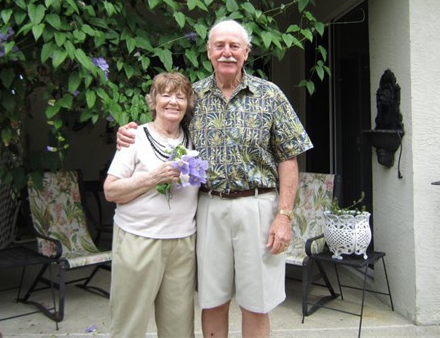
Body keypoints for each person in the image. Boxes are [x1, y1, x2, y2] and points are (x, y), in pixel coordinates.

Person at [117, 19, 313, 338]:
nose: (226, 53)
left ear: (246, 52)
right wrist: (129, 133)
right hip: (209, 207)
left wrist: (284, 216)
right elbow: (164, 126)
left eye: (234, 46)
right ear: (208, 52)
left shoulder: (270, 95)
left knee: (257, 303)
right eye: (219, 46)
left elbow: (288, 158)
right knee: (212, 300)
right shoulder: (193, 96)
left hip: (258, 206)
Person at [104, 72, 198, 338]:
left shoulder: (193, 140)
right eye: (165, 95)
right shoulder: (135, 137)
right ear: (153, 101)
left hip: (182, 244)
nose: (173, 102)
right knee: (128, 325)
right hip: (138, 240)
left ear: (187, 104)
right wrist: (153, 177)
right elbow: (111, 190)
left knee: (179, 328)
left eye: (180, 97)